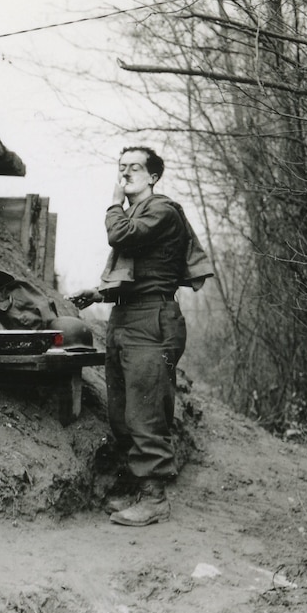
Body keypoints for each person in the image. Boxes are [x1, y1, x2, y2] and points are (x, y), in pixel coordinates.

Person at [71, 146, 213, 527]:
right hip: (127, 317)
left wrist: (112, 204)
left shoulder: (162, 211)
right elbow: (143, 274)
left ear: (153, 176)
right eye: (121, 168)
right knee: (123, 412)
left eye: (135, 168)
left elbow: (123, 237)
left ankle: (155, 500)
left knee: (146, 411)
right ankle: (139, 489)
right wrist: (99, 293)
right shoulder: (139, 214)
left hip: (152, 321)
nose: (126, 173)